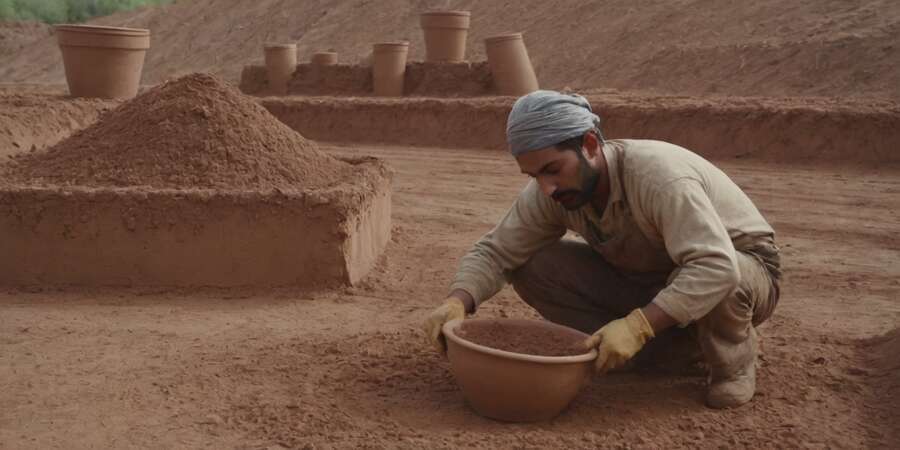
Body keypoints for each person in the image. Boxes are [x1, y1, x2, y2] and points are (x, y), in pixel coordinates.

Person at [422, 90, 781, 409]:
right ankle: (659, 353)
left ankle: (731, 363)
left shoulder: (658, 178)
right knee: (533, 263)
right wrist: (458, 301)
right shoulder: (555, 192)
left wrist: (637, 326)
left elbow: (715, 265)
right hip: (646, 278)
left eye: (553, 169)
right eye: (534, 177)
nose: (546, 188)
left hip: (744, 271)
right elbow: (497, 251)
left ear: (591, 145)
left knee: (724, 274)